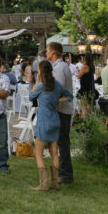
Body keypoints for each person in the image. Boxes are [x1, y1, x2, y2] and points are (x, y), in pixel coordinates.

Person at [29, 59, 74, 191]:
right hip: (55, 120)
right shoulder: (57, 85)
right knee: (54, 152)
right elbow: (70, 95)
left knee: (38, 153)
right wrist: (58, 100)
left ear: (41, 72)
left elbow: (31, 97)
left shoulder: (41, 86)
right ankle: (54, 182)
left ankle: (44, 184)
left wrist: (37, 81)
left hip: (44, 120)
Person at [48, 42, 75, 185]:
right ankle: (62, 172)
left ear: (53, 52)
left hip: (62, 110)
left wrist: (54, 108)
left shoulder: (59, 68)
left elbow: (57, 91)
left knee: (63, 142)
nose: (46, 53)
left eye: (47, 50)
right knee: (61, 141)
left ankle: (66, 175)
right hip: (62, 109)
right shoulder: (60, 67)